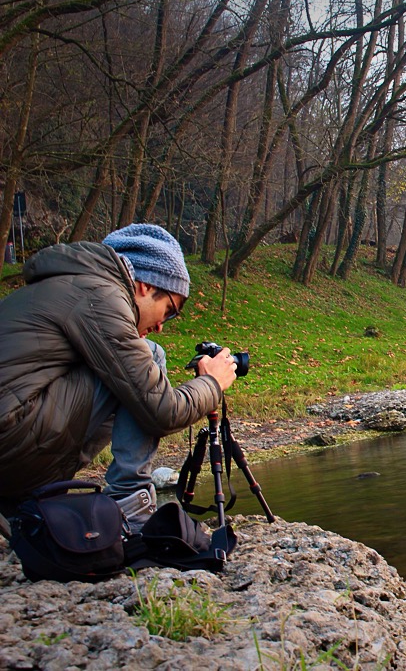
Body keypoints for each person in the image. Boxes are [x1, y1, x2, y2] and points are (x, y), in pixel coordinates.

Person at [0, 223, 238, 530]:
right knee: (150, 355)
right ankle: (131, 504)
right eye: (169, 310)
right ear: (145, 286)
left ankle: (27, 506)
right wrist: (212, 383)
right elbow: (162, 411)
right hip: (12, 439)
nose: (161, 325)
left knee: (127, 367)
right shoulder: (100, 296)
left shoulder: (63, 286)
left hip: (13, 446)